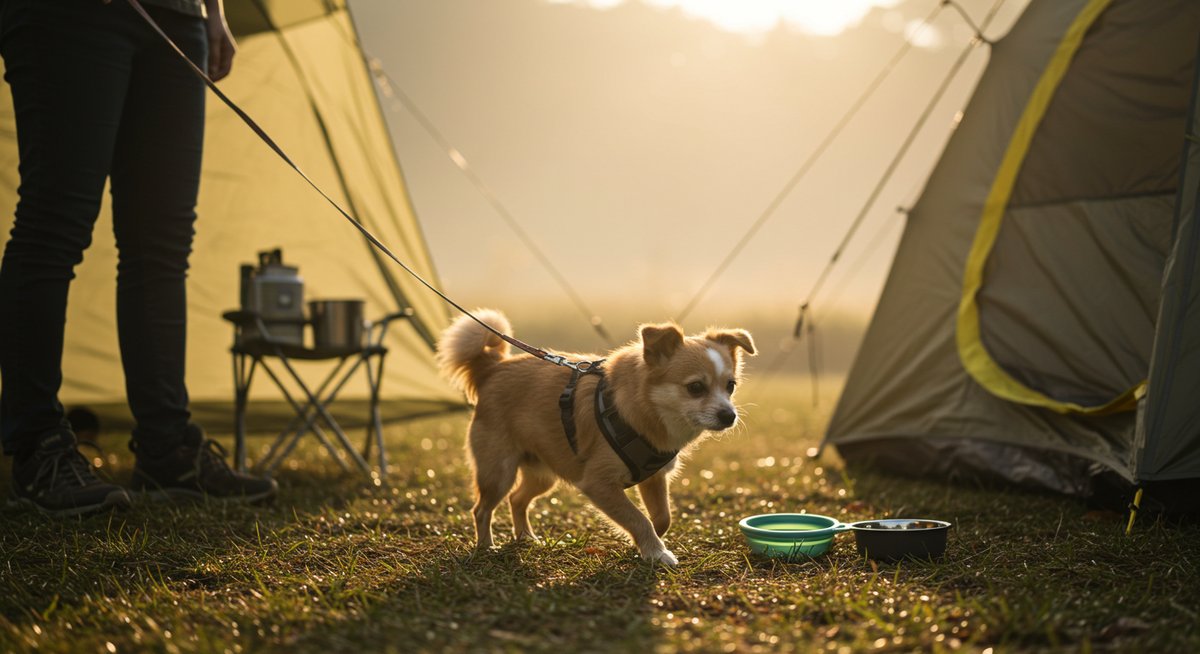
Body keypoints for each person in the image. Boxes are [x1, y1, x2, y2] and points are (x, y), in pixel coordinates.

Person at [0, 0, 276, 515]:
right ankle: (37, 447)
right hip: (67, 16)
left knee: (162, 245)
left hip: (177, 16)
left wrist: (213, 11)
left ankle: (167, 447)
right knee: (54, 225)